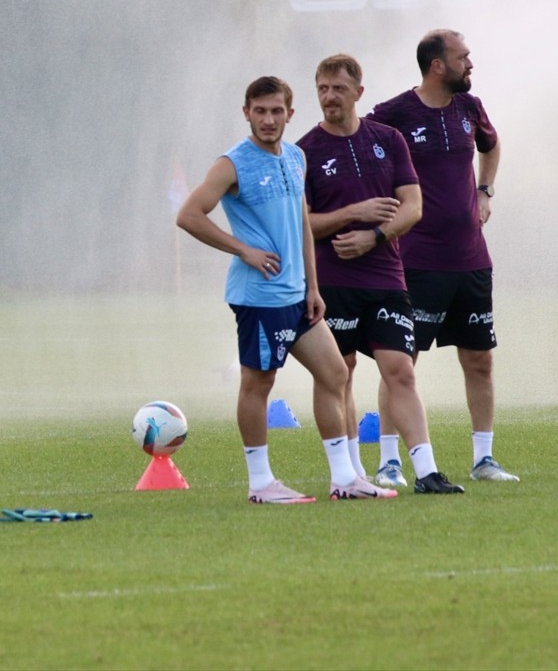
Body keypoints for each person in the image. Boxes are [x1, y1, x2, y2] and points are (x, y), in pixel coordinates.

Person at [176, 76, 396, 503]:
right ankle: (260, 484)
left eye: (277, 111)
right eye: (260, 111)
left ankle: (344, 479)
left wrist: (313, 287)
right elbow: (189, 214)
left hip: (297, 297)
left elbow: (301, 227)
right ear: (246, 114)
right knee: (259, 384)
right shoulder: (232, 164)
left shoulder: (296, 157)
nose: (268, 120)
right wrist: (244, 250)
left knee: (334, 373)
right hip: (258, 297)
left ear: (290, 115)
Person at [297, 54, 464, 494]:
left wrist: (374, 235)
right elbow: (301, 225)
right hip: (332, 280)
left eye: (337, 88)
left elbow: (413, 206)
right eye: (322, 89)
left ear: (358, 92)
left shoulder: (388, 140)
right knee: (341, 372)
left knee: (401, 371)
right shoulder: (304, 151)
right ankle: (350, 474)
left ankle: (426, 471)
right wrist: (351, 214)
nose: (329, 97)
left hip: (387, 278)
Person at [367, 30, 517, 482]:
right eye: (463, 57)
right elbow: (365, 156)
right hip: (415, 261)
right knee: (400, 363)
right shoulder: (393, 115)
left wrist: (484, 190)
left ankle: (483, 459)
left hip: (471, 260)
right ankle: (390, 461)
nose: (470, 63)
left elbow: (491, 146)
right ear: (437, 65)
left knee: (480, 359)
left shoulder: (470, 108)